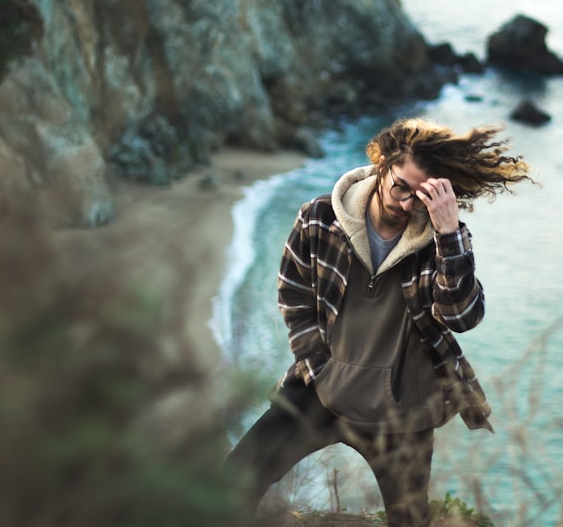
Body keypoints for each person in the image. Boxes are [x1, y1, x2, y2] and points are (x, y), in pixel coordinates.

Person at [224, 117, 532, 526]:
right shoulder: (319, 218)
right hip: (323, 390)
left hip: (401, 410)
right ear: (382, 163)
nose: (405, 204)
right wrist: (319, 368)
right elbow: (292, 292)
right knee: (232, 484)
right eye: (400, 187)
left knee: (408, 521)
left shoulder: (444, 241)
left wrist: (448, 231)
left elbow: (463, 317)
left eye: (419, 197)